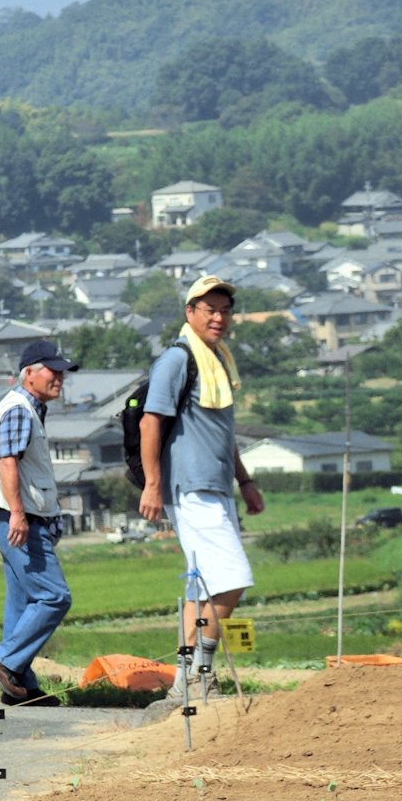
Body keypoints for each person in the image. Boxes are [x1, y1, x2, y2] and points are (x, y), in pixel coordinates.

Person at [138, 275, 264, 700]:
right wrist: (152, 484)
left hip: (216, 485)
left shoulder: (216, 360)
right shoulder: (178, 359)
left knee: (202, 585)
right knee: (233, 577)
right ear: (190, 312)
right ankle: (201, 672)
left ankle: (183, 681)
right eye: (209, 309)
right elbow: (150, 422)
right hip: (190, 486)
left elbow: (222, 435)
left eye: (225, 311)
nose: (219, 318)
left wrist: (244, 481)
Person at [0, 339, 79, 703]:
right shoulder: (20, 410)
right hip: (21, 521)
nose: (60, 379)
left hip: (17, 520)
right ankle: (5, 661)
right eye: (53, 372)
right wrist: (19, 514)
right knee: (55, 597)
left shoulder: (27, 408)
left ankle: (20, 686)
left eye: (62, 373)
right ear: (29, 374)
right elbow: (8, 463)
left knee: (22, 604)